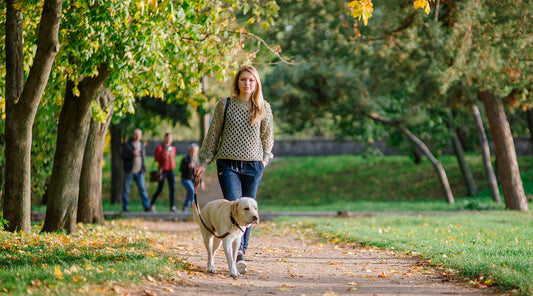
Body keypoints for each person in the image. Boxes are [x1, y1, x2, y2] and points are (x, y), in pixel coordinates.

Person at [195, 65, 274, 274]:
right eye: (243, 79)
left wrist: (264, 159)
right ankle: (235, 252)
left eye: (251, 80)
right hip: (227, 164)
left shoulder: (263, 107)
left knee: (250, 211)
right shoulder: (225, 104)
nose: (247, 83)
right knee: (235, 205)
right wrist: (203, 161)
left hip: (253, 166)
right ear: (237, 82)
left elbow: (268, 137)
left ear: (256, 83)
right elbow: (213, 135)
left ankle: (241, 253)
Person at [121, 128, 151, 212]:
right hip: (129, 171)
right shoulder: (128, 144)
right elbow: (123, 155)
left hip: (139, 171)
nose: (137, 136)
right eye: (136, 134)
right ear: (133, 135)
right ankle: (125, 208)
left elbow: (143, 158)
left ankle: (147, 206)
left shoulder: (141, 145)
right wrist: (132, 153)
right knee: (126, 190)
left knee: (142, 189)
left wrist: (144, 169)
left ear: (141, 136)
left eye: (139, 135)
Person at [149, 132, 177, 212]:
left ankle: (172, 206)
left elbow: (172, 159)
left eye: (170, 138)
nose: (168, 140)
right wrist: (163, 155)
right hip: (162, 171)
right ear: (164, 138)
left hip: (170, 170)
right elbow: (156, 158)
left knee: (172, 188)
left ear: (172, 140)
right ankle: (152, 204)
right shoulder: (160, 148)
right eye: (167, 138)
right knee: (160, 189)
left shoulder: (173, 149)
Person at [180, 143, 201, 212]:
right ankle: (193, 207)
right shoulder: (186, 159)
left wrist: (201, 181)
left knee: (189, 193)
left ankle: (185, 209)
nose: (192, 153)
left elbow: (199, 173)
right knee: (192, 190)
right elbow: (181, 169)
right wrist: (188, 167)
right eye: (191, 151)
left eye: (194, 152)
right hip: (185, 179)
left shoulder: (197, 161)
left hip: (193, 180)